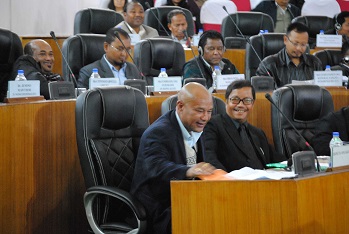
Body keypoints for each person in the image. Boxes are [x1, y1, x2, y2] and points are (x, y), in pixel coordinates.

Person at [131, 82, 216, 234]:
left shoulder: (195, 126)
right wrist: (188, 171)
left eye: (209, 111)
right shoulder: (158, 132)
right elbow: (156, 167)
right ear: (180, 106)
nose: (206, 117)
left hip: (185, 199)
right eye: (200, 111)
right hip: (159, 206)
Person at [203, 80, 286, 172]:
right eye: (235, 99)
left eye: (247, 100)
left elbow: (278, 160)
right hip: (231, 184)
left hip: (261, 183)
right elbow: (210, 160)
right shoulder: (213, 125)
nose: (240, 105)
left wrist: (296, 161)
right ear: (226, 101)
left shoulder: (258, 133)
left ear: (252, 104)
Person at [256, 22, 322, 88]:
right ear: (285, 40)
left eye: (303, 44)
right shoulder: (268, 65)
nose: (299, 48)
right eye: (295, 43)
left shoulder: (315, 63)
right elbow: (262, 94)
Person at [78, 28, 143, 89]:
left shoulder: (133, 69)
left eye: (127, 50)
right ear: (106, 47)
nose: (124, 54)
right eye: (120, 49)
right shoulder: (88, 72)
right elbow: (84, 99)